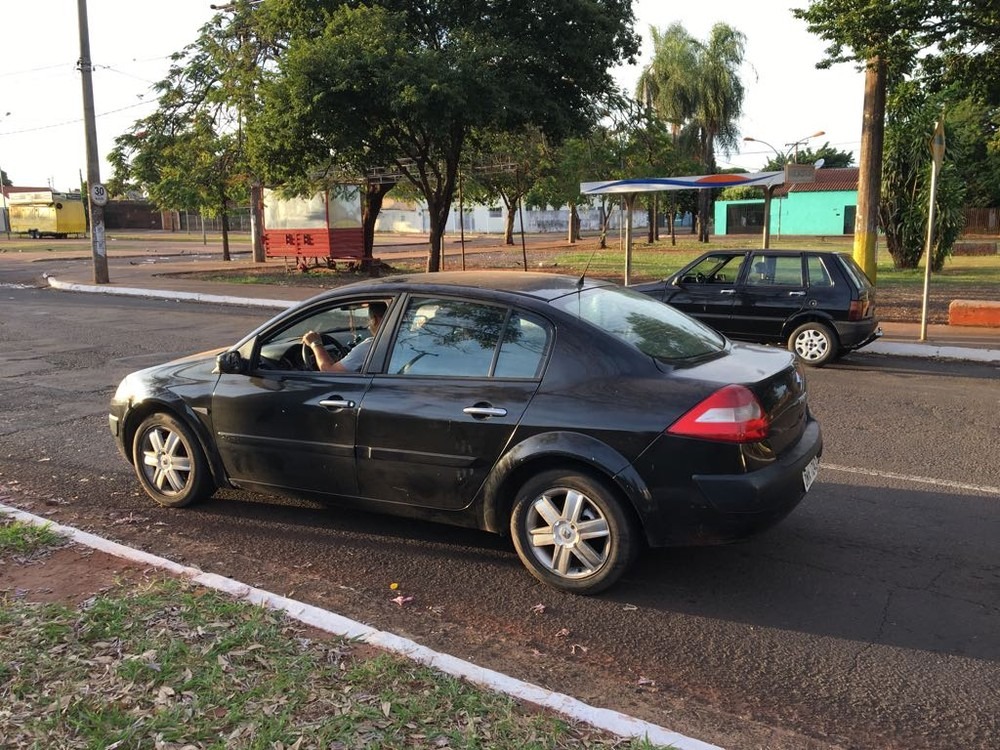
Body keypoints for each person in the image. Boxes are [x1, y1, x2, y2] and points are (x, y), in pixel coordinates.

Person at [302, 301, 387, 373]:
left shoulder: (372, 347)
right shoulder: (393, 342)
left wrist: (315, 344)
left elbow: (330, 372)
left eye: (369, 320)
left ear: (375, 320)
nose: (368, 326)